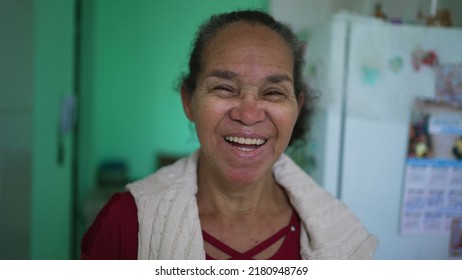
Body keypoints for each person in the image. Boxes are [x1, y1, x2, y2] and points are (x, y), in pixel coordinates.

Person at [81, 9, 378, 260]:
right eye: (224, 87)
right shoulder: (124, 225)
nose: (248, 115)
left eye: (273, 92)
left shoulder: (343, 237)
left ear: (296, 107)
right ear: (189, 100)